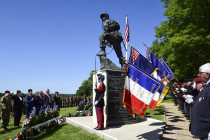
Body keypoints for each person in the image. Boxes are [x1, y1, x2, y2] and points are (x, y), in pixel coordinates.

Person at [190, 63, 210, 139]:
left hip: (207, 130)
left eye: (200, 73)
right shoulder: (206, 86)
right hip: (203, 130)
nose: (198, 75)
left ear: (207, 75)